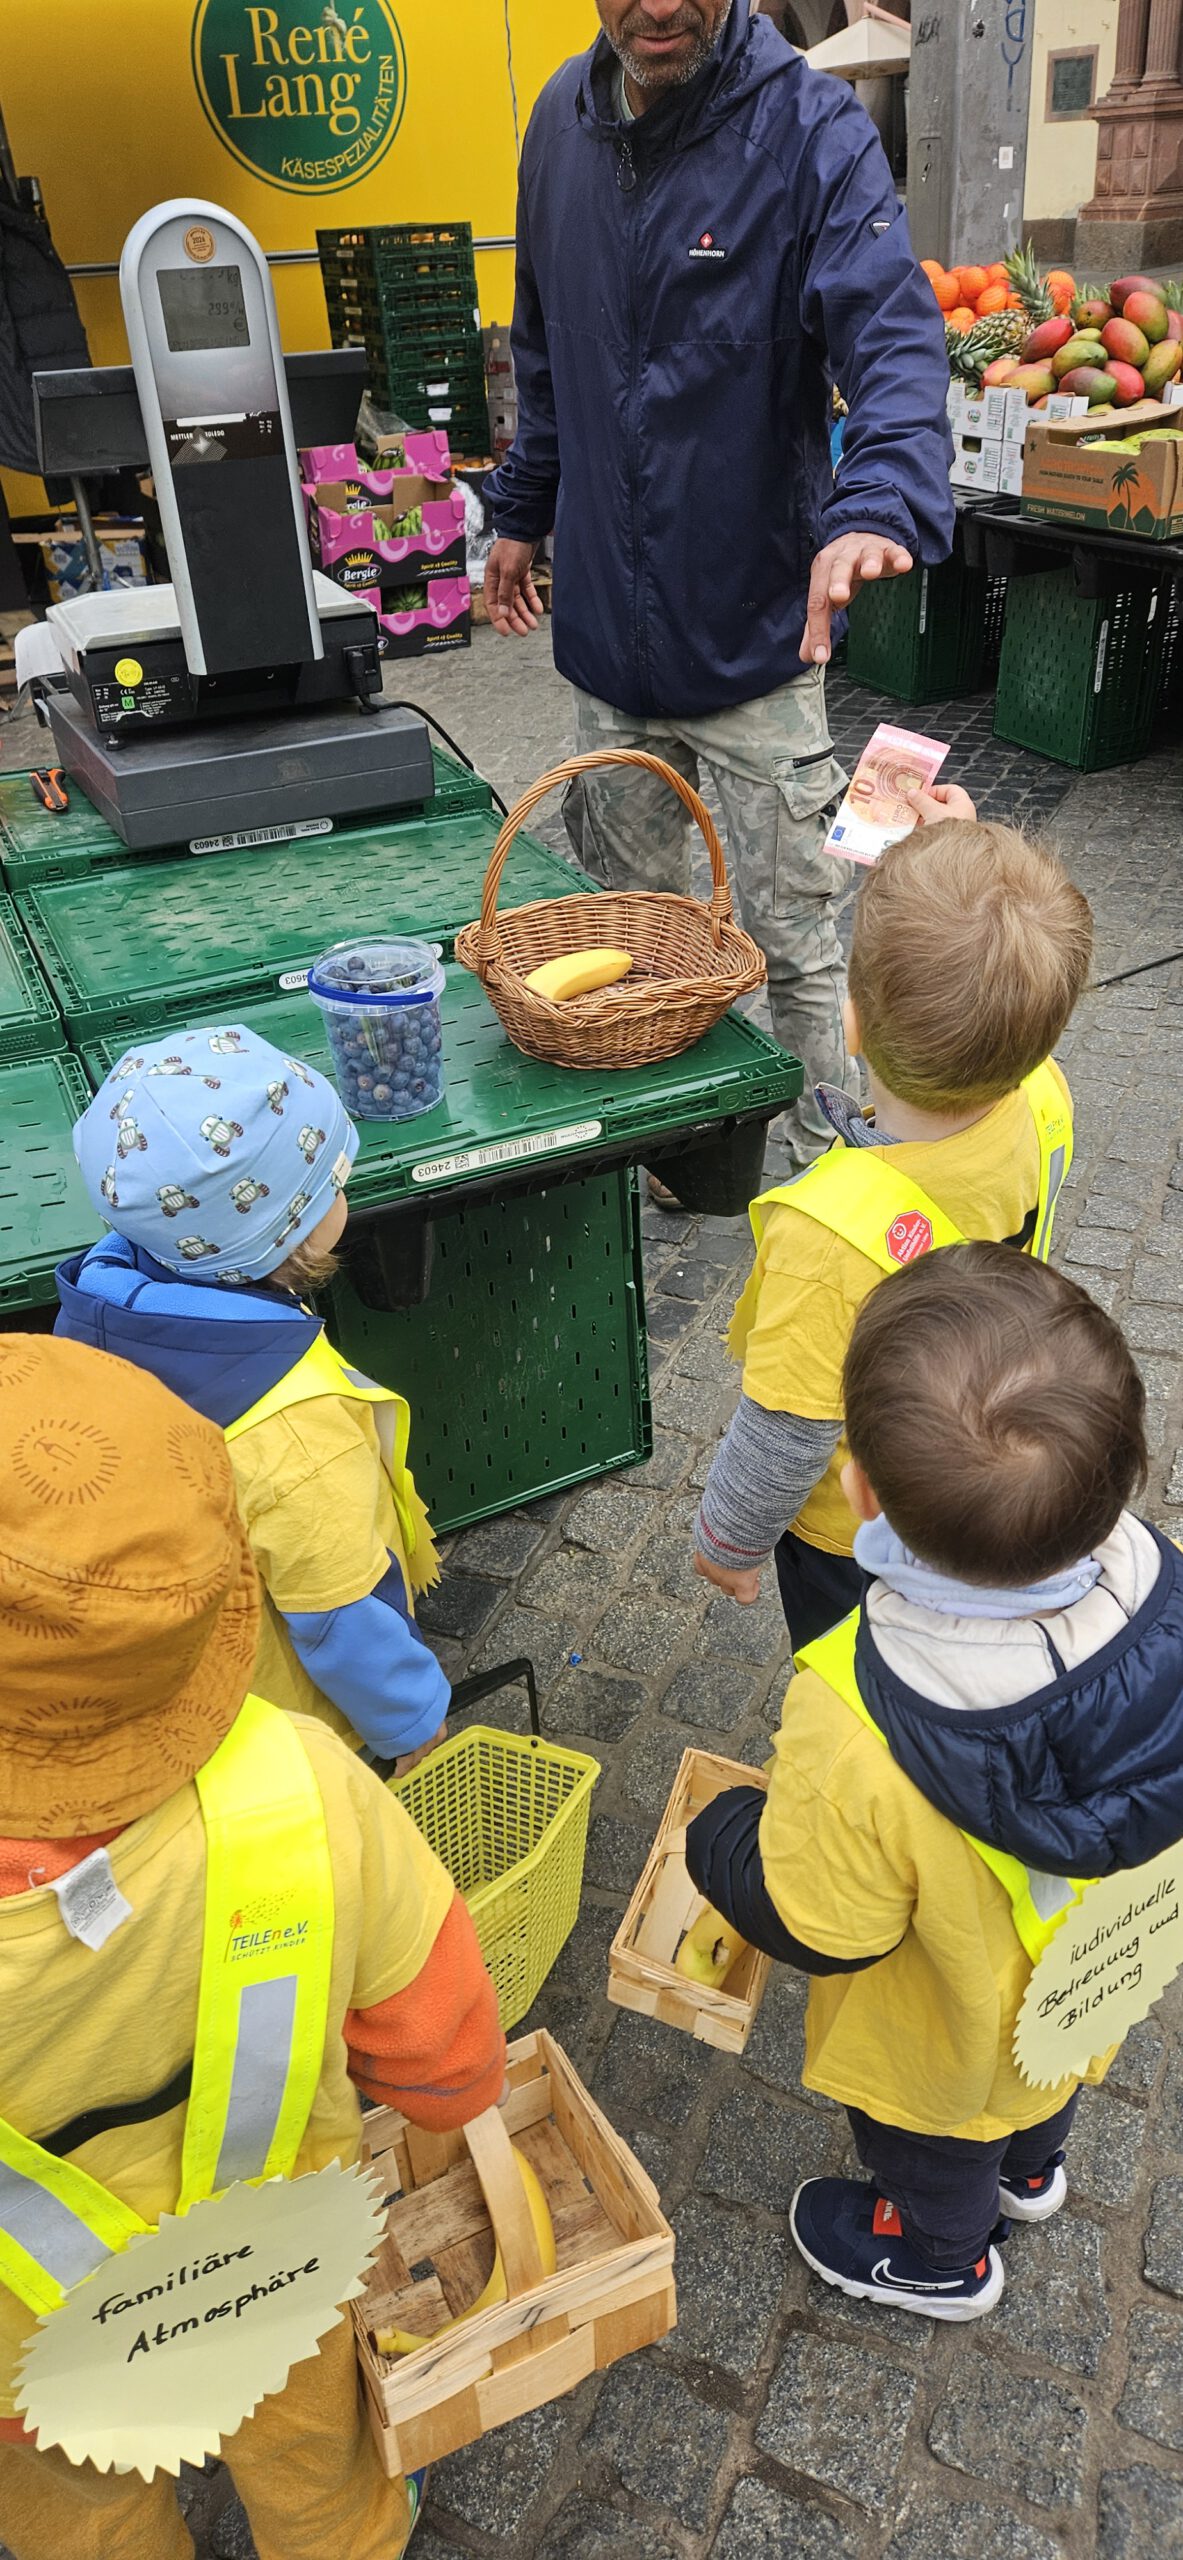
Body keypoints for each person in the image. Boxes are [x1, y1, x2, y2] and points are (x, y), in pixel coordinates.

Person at [0, 1332, 505, 2555]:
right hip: (276, 2268)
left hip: (31, 2348)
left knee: (82, 2515)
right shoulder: (306, 1782)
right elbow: (445, 2050)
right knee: (319, 2467)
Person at [483, 0, 954, 1167]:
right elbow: (541, 354)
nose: (659, 6)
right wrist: (520, 512)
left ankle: (835, 1172)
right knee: (636, 943)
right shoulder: (553, 123)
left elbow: (893, 339)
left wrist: (878, 500)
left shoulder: (809, 128)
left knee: (798, 938)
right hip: (607, 646)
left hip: (756, 642)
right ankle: (674, 1161)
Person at [683, 1244, 1183, 2318]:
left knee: (932, 2137)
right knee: (1042, 2065)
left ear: (856, 1491)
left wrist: (722, 1835)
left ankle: (940, 2255)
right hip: (1084, 1965)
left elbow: (825, 1921)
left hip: (941, 2023)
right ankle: (1034, 2168)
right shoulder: (1166, 1603)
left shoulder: (856, 1713)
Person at [692, 798, 1094, 1648]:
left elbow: (787, 1429)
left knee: (860, 1675)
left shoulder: (828, 1231)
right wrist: (950, 863)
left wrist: (728, 1541)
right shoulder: (1041, 1093)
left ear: (851, 1023)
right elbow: (993, 983)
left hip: (857, 1533)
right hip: (972, 1462)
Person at [56, 1025, 448, 1772]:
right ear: (289, 1233)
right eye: (334, 1182)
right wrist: (410, 1720)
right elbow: (333, 1609)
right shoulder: (294, 1429)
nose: (345, 1191)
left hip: (187, 1681)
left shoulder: (105, 1297)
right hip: (288, 1731)